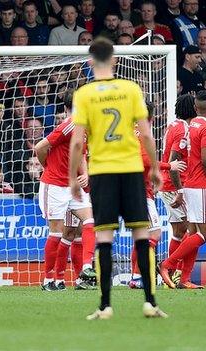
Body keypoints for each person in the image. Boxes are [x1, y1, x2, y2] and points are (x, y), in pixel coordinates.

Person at [69, 38, 167, 319]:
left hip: (101, 172)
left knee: (103, 237)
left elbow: (77, 143)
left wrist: (73, 177)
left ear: (90, 61)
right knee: (141, 234)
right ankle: (150, 302)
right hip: (132, 170)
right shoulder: (130, 89)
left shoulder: (84, 95)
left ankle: (105, 306)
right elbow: (146, 133)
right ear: (114, 60)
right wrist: (156, 169)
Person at [159, 91, 206, 290]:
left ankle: (185, 278)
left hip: (189, 185)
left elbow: (177, 154)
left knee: (192, 232)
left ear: (196, 108)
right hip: (201, 185)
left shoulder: (189, 126)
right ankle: (167, 265)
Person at [33, 90, 95, 291]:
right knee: (57, 233)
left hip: (73, 185)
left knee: (90, 221)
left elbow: (82, 154)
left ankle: (86, 268)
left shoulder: (83, 126)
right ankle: (48, 279)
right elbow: (40, 147)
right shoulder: (69, 125)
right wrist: (47, 167)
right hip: (55, 186)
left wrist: (84, 174)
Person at [130, 101, 188, 289]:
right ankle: (141, 276)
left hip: (136, 186)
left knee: (142, 233)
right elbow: (144, 160)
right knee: (155, 232)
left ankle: (135, 276)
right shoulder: (143, 133)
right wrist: (168, 166)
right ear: (152, 118)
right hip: (138, 190)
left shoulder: (130, 130)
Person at [154, 94, 196, 289]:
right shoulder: (183, 130)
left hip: (168, 184)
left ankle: (169, 274)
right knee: (193, 229)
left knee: (178, 231)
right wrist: (179, 189)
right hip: (175, 185)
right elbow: (174, 160)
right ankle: (176, 271)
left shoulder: (173, 125)